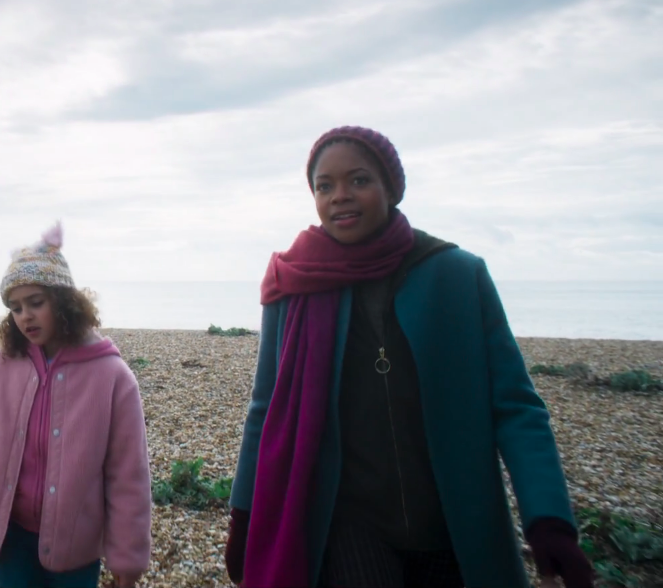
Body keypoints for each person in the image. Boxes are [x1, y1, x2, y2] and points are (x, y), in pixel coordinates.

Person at [222, 126, 594, 588]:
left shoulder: (457, 275)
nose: (340, 196)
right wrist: (244, 511)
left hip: (452, 519)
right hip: (347, 519)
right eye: (325, 185)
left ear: (391, 188)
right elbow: (265, 409)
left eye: (358, 180)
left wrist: (549, 518)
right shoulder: (294, 285)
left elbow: (516, 407)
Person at [0, 223, 153, 588]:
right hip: (11, 537)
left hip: (77, 547)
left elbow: (128, 476)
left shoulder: (113, 377)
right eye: (16, 307)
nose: (25, 316)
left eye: (36, 302)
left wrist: (127, 558)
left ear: (65, 301)